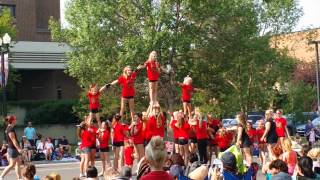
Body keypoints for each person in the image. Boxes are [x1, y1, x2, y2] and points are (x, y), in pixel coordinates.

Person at [0, 115, 23, 179]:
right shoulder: (10, 129)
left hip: (13, 148)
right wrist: (18, 148)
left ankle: (19, 178)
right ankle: (1, 176)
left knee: (18, 163)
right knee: (12, 164)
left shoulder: (9, 128)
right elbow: (13, 140)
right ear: (12, 121)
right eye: (15, 119)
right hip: (13, 149)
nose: (16, 120)